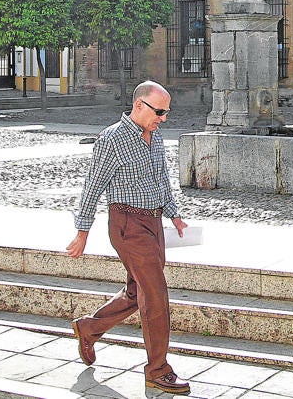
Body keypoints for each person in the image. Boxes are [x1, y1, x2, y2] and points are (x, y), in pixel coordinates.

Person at [66, 81, 190, 395]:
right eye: (159, 112)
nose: (163, 118)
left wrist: (173, 213)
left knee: (138, 291)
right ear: (139, 106)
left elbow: (161, 175)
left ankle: (89, 329)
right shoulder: (112, 139)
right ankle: (157, 370)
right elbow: (92, 187)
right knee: (156, 294)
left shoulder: (156, 134)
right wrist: (82, 232)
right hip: (127, 224)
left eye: (166, 113)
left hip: (153, 223)